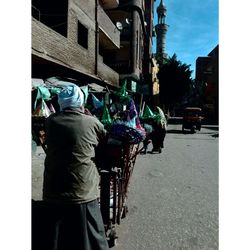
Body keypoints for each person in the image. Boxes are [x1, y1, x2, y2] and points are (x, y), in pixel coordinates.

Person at [41, 84, 109, 250]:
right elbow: (105, 137)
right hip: (82, 194)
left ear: (61, 103)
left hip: (53, 192)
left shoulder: (50, 121)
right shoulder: (92, 122)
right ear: (81, 103)